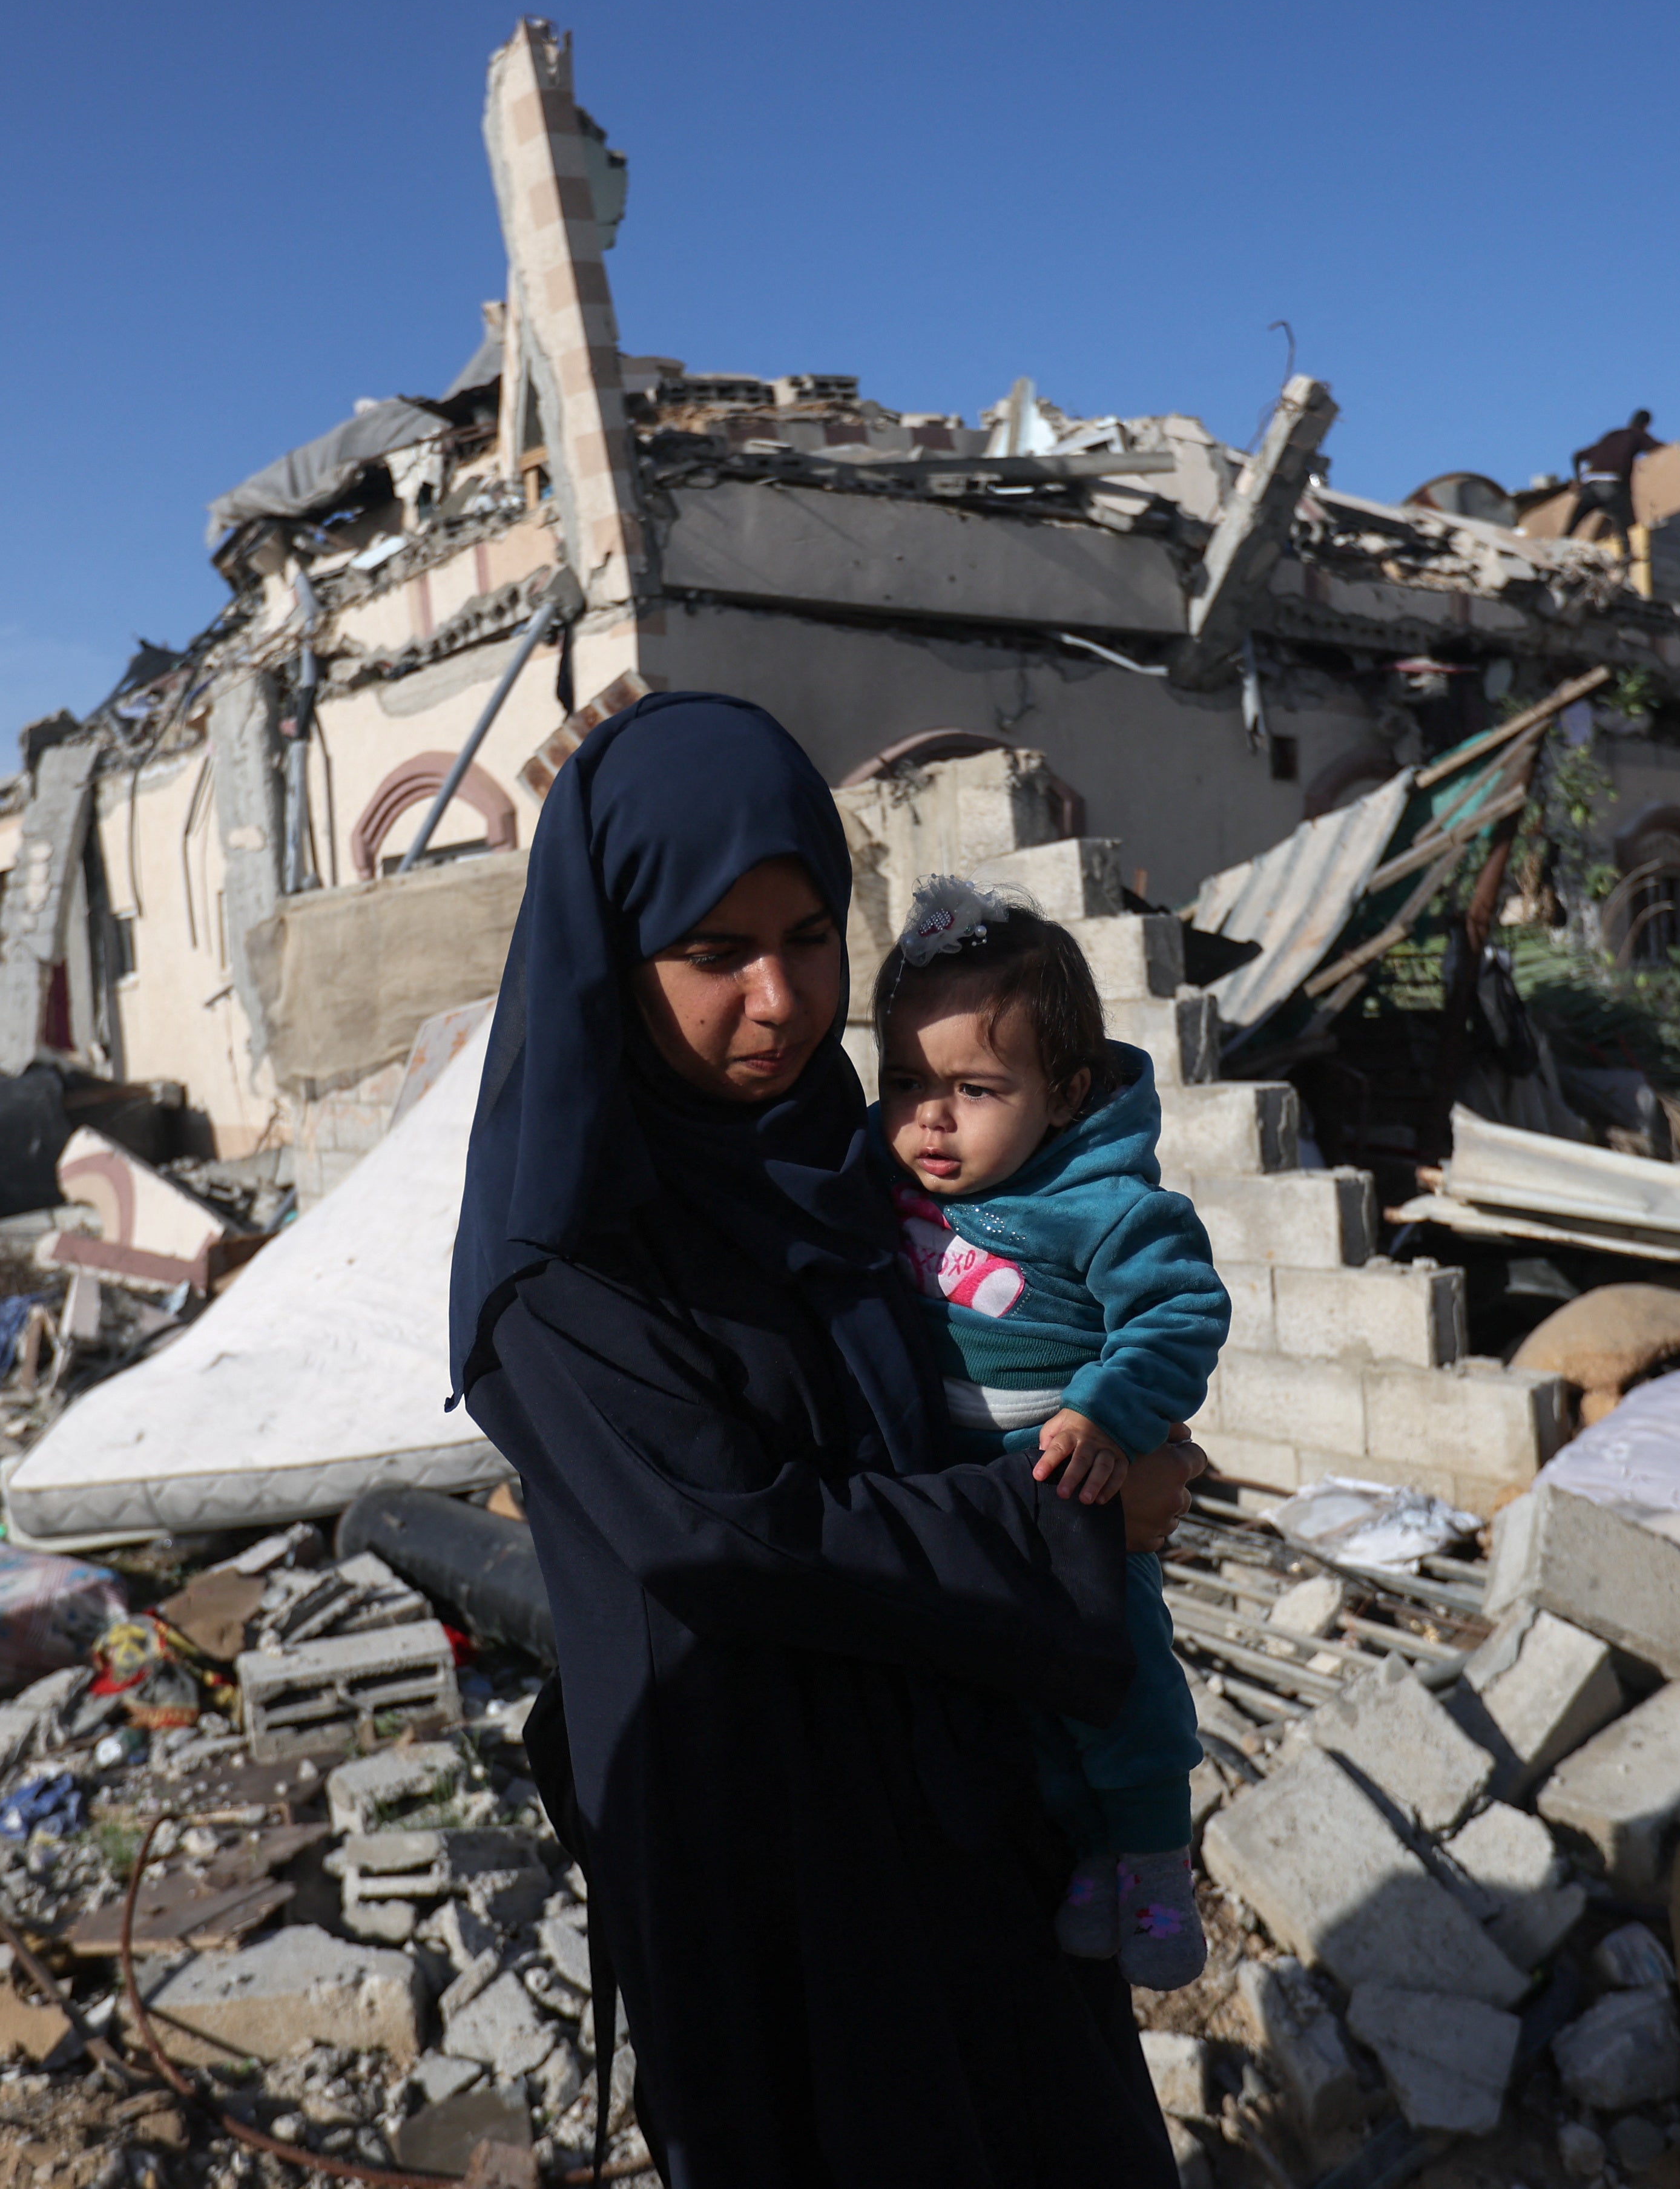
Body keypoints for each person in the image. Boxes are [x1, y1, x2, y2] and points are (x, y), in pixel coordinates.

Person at [453, 692, 1204, 2187]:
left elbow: (1006, 1339)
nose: (781, 1000)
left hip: (965, 1794)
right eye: (713, 952)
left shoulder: (841, 1152)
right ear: (613, 950)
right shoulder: (563, 1260)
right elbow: (732, 1535)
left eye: (807, 936)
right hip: (766, 1857)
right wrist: (1072, 1523)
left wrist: (1113, 1424)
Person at [870, 877, 1230, 1992]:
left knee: (1114, 1672)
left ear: (1066, 1092)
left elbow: (1183, 1312)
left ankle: (1157, 1855)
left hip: (1076, 1480)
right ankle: (1088, 1853)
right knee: (1025, 1699)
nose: (933, 1118)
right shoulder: (894, 1188)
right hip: (971, 1509)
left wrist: (1109, 1414)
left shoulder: (1107, 1204)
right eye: (906, 1083)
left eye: (975, 1088)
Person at [1567, 409, 1662, 542]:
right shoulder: (1638, 435)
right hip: (1612, 488)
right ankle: (1628, 555)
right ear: (1645, 425)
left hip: (1590, 487)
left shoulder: (1611, 436)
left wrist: (1579, 480)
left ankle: (1557, 549)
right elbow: (1661, 450)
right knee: (1626, 524)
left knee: (1572, 526)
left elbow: (1578, 456)